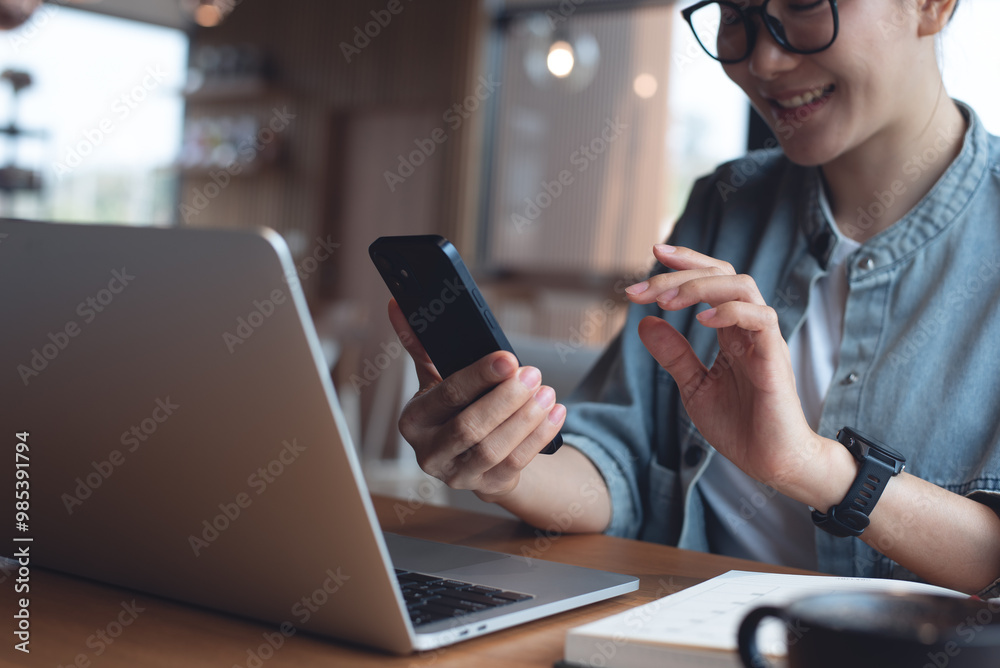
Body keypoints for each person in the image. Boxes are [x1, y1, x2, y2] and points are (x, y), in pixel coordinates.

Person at [387, 0, 1000, 598]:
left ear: (932, 5)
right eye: (735, 16)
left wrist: (811, 466)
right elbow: (621, 464)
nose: (763, 59)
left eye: (807, 5)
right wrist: (505, 467)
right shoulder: (725, 203)